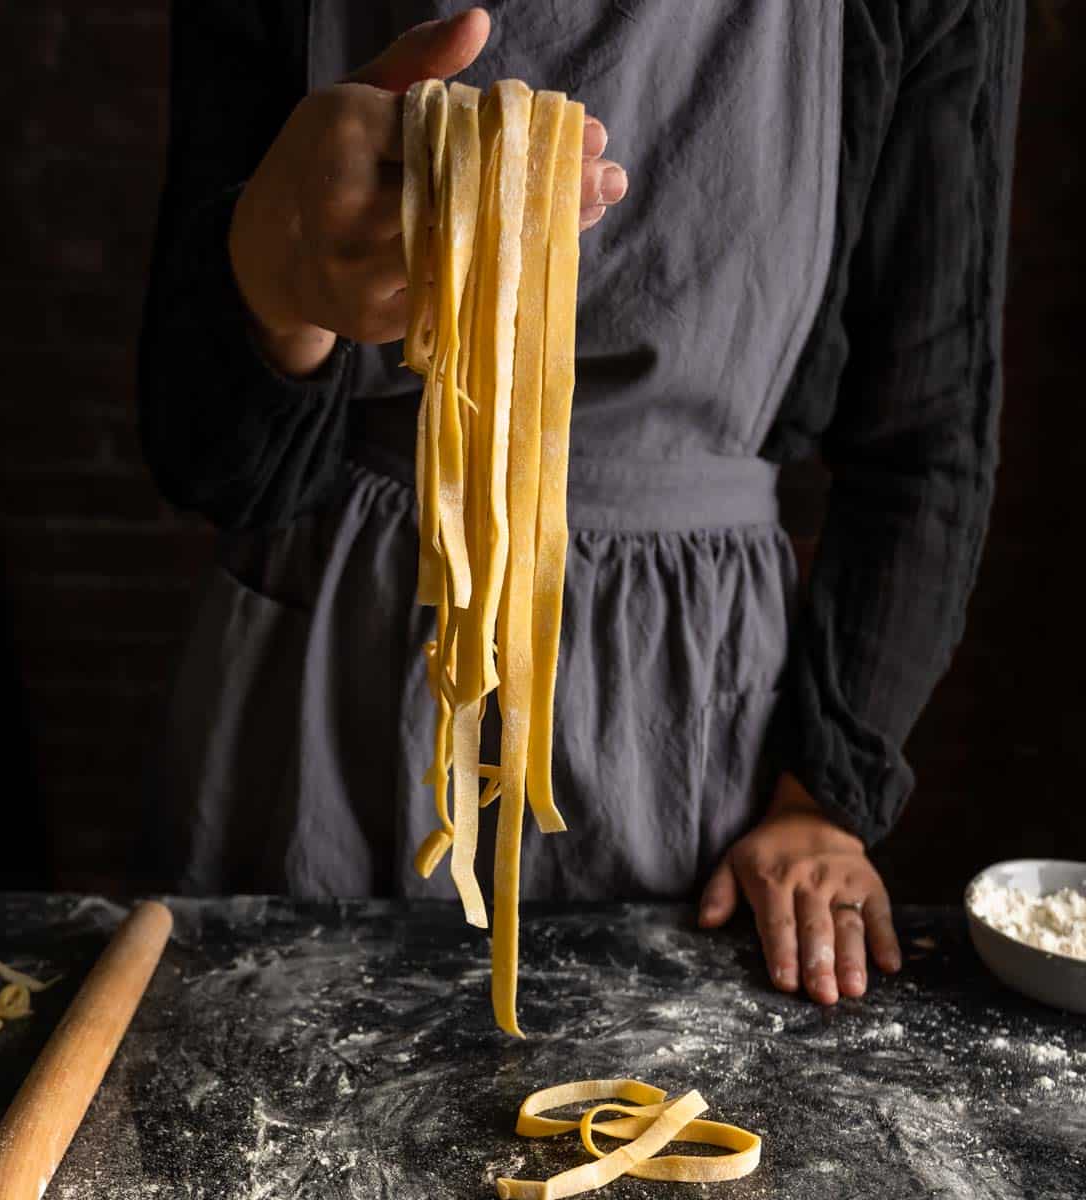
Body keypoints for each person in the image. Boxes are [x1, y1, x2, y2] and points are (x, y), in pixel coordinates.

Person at [137, 3, 1024, 1007]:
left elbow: (927, 436)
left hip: (699, 709)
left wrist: (822, 797)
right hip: (331, 663)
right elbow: (203, 459)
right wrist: (275, 272)